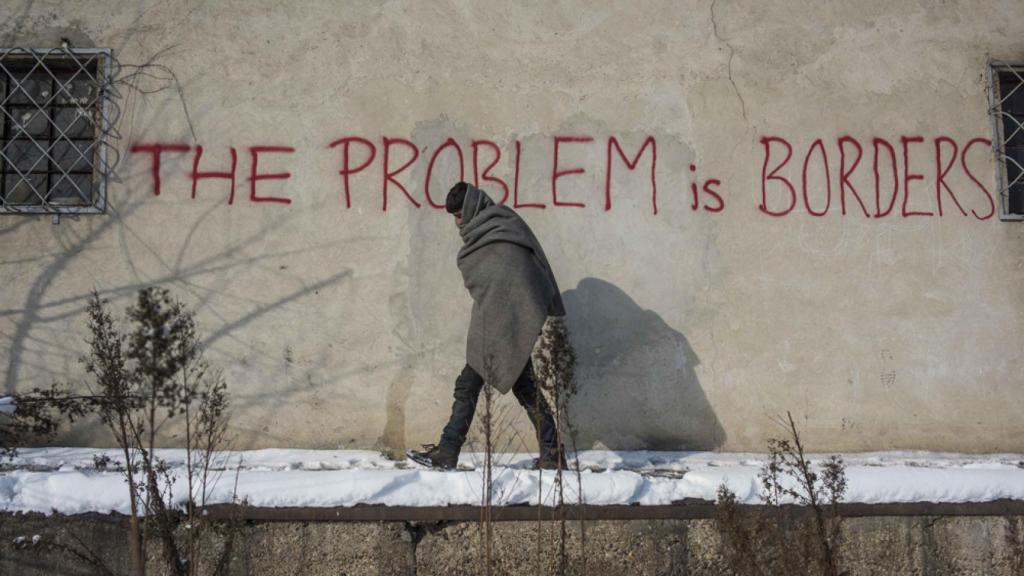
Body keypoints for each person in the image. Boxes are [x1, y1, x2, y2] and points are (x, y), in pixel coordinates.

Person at [408, 182, 567, 471]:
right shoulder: (495, 231)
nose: (458, 222)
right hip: (499, 323)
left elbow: (525, 272)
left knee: (468, 386)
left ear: (470, 208)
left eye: (459, 214)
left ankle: (448, 451)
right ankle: (552, 454)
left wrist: (518, 313)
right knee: (524, 390)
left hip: (510, 322)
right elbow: (489, 283)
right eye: (454, 216)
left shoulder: (504, 228)